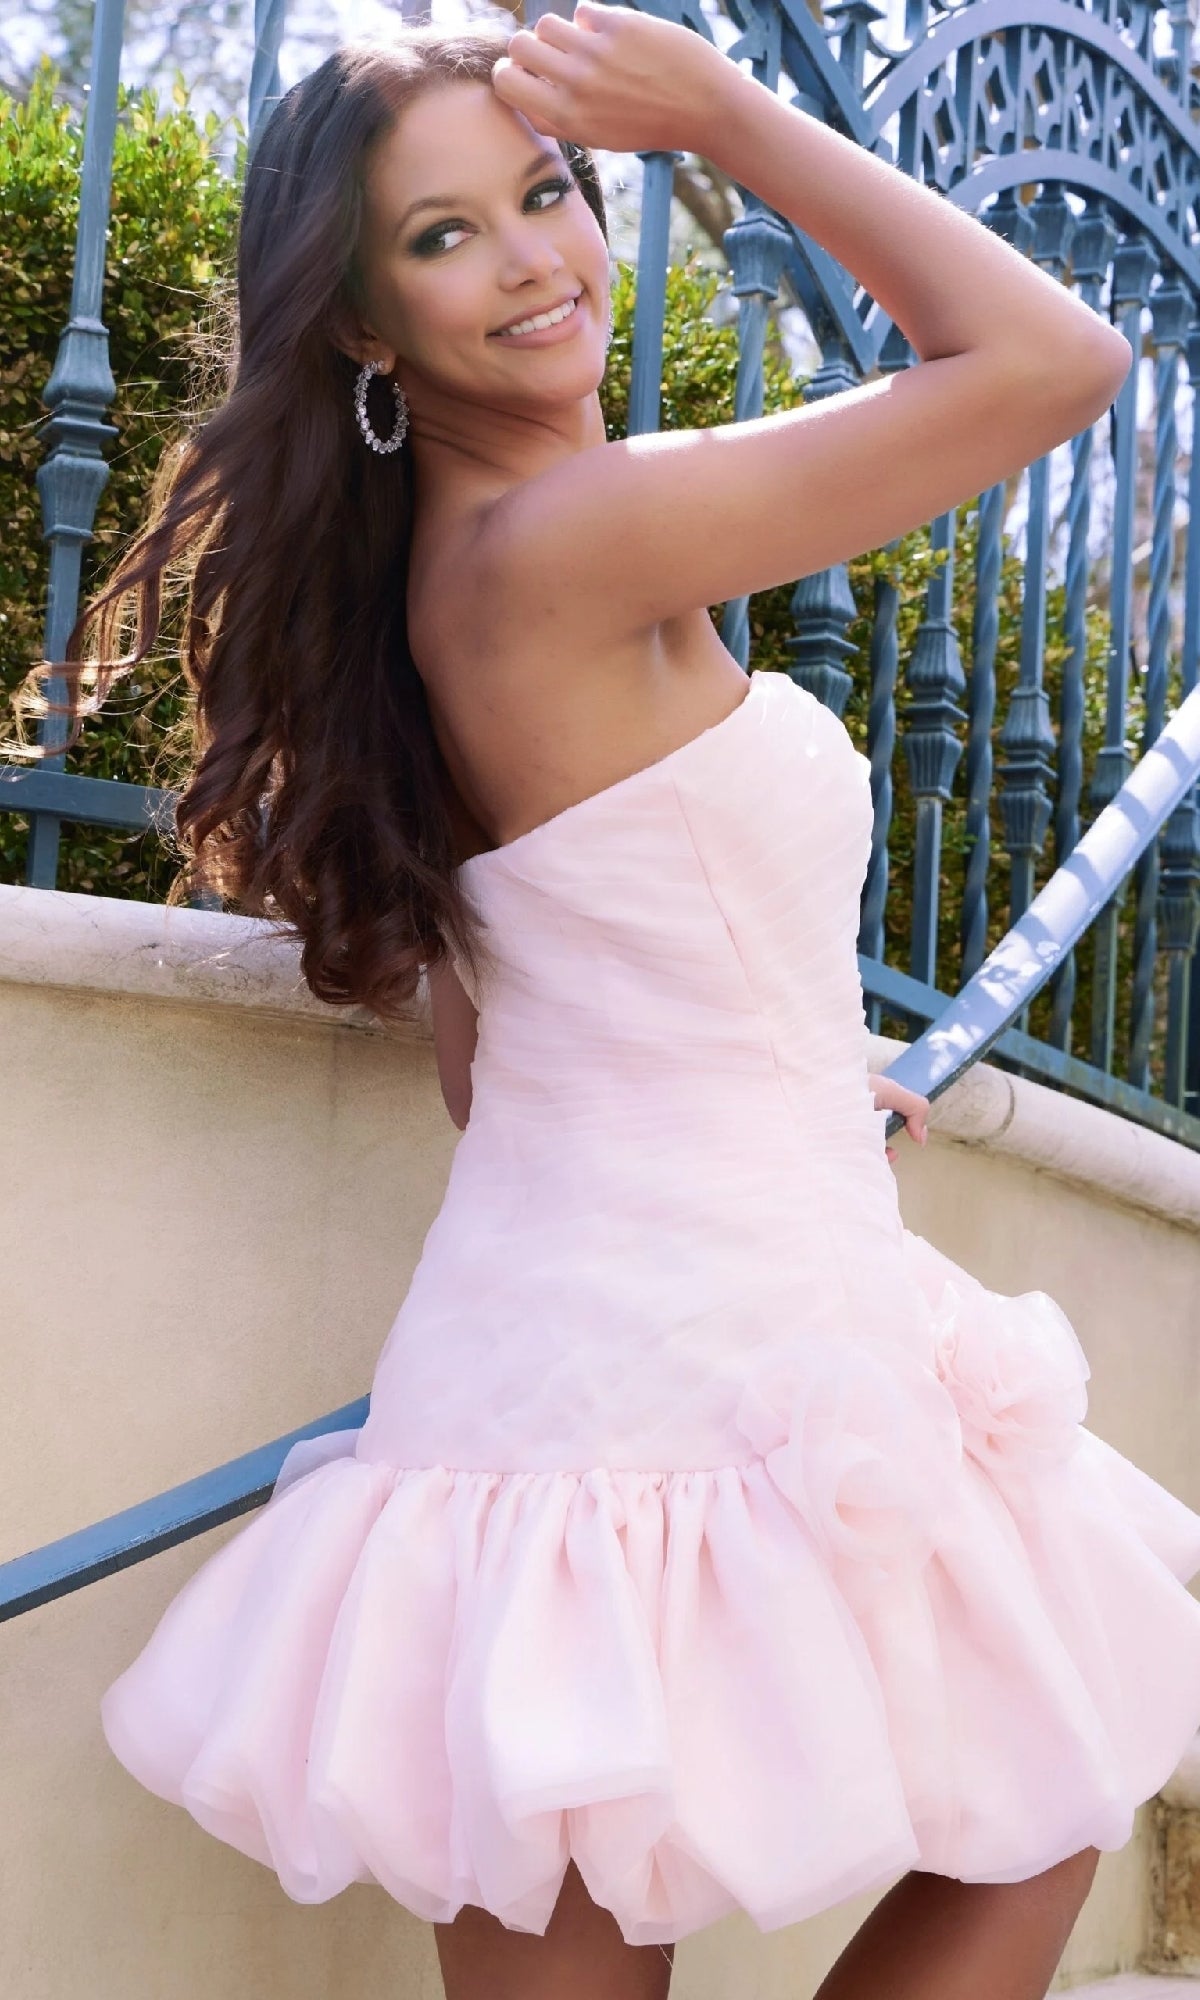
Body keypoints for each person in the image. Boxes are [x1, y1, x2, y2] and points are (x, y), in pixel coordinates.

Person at [30, 7, 1200, 1998]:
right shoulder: (575, 534)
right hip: (666, 1383)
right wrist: (731, 116)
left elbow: (507, 1055)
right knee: (1040, 1795)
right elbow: (1056, 360)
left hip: (615, 1352)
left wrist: (783, 1075)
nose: (539, 260)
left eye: (550, 192)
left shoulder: (456, 580)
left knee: (1036, 1786)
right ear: (361, 324)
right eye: (446, 235)